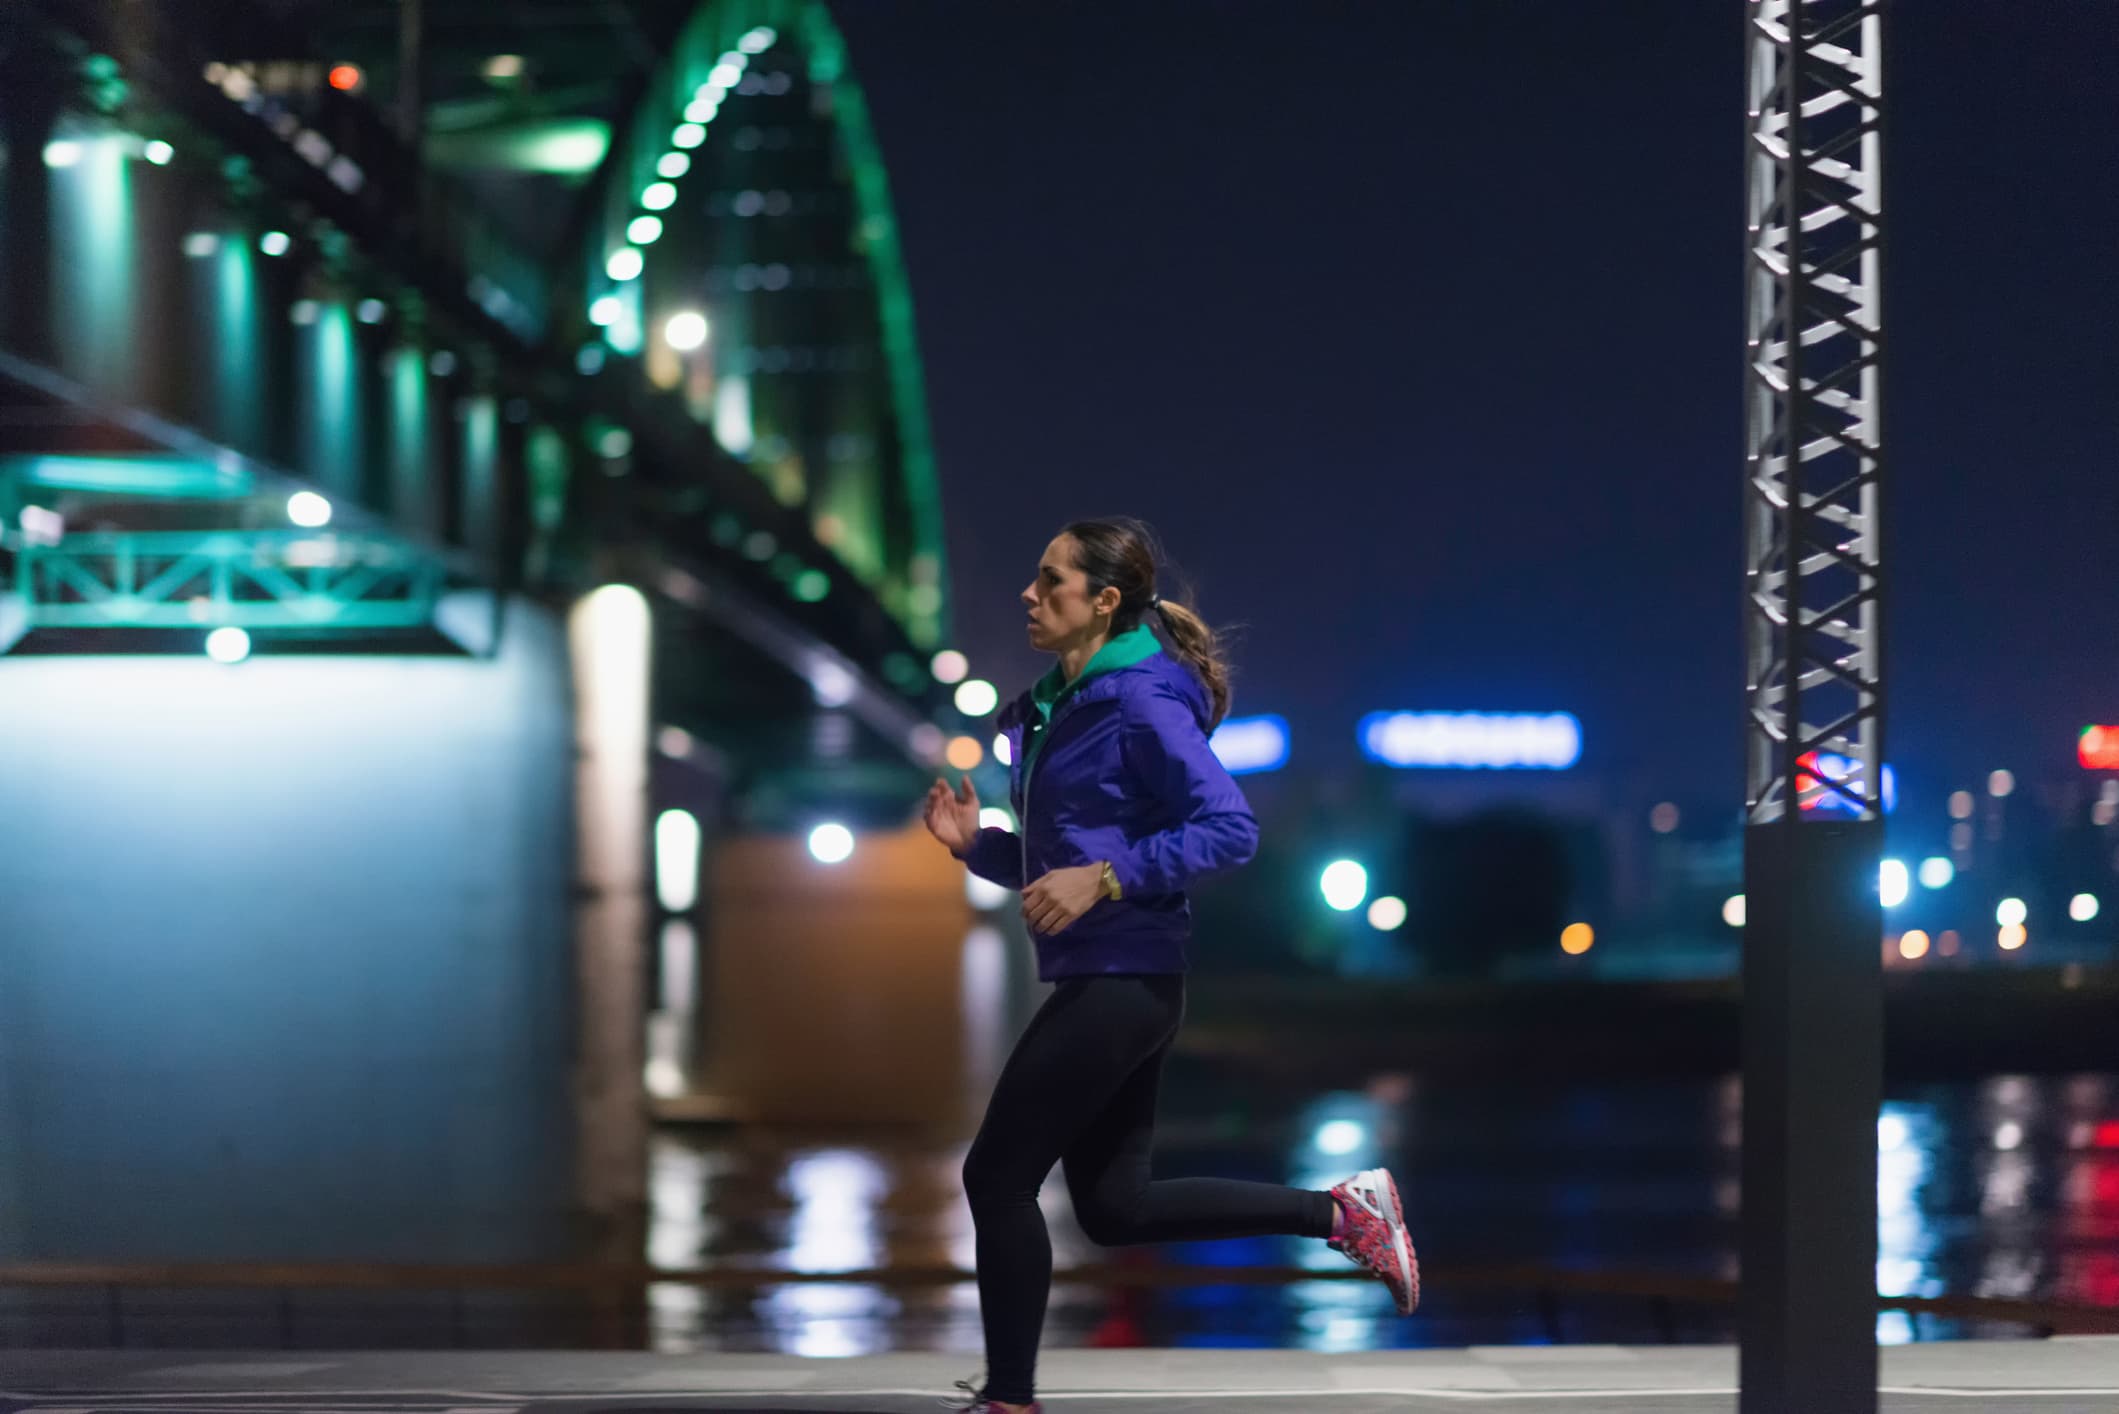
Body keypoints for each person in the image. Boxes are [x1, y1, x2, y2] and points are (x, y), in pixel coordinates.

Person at [921, 518, 1419, 1414]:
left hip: (1124, 980)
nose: (1028, 596)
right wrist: (980, 849)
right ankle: (1342, 1215)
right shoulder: (1061, 704)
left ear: (1104, 601)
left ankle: (1007, 1400)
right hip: (1111, 979)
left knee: (995, 1179)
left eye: (1050, 581)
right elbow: (1061, 861)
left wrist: (1108, 879)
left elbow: (1229, 827)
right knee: (1113, 1211)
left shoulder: (1139, 701)